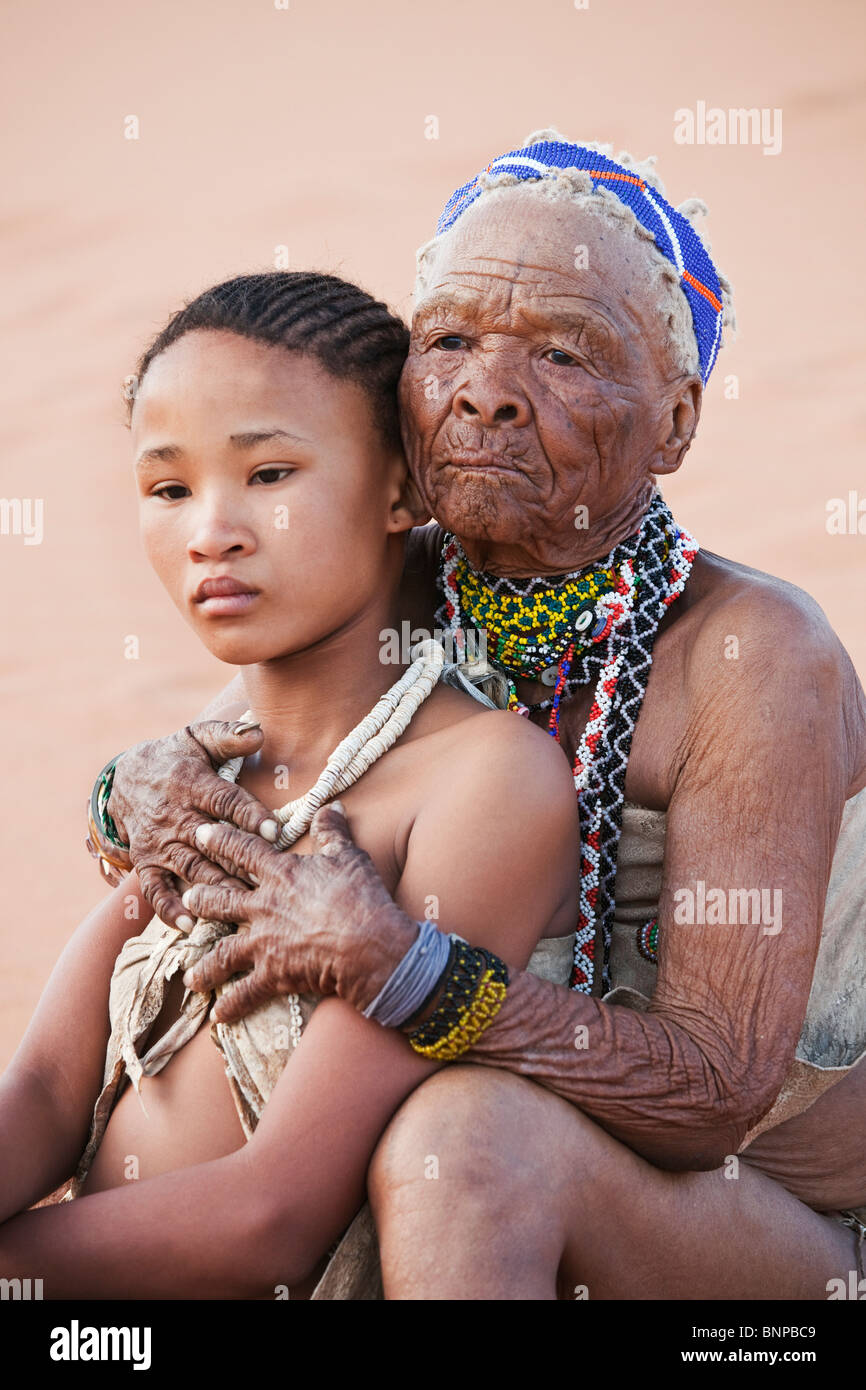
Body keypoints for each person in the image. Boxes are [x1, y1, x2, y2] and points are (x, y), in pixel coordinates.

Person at [86, 133, 866, 1300]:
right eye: (446, 340)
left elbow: (711, 1094)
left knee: (465, 1143)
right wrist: (122, 791)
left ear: (674, 423)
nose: (487, 391)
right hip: (515, 1166)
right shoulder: (400, 575)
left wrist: (406, 971)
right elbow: (212, 786)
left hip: (773, 1235)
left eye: (563, 354)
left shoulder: (755, 657)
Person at [0, 270, 583, 1299]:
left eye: (269, 473)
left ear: (401, 487)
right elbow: (47, 1088)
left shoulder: (484, 781)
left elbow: (274, 1213)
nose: (209, 532)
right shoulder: (191, 778)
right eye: (168, 487)